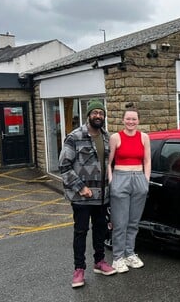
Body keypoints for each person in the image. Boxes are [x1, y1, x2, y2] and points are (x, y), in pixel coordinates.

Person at [59, 99, 117, 288]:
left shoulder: (107, 137)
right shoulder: (74, 137)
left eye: (101, 113)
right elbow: (64, 166)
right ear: (88, 115)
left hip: (102, 197)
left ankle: (99, 262)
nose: (98, 116)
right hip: (82, 197)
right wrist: (80, 187)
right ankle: (79, 269)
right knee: (81, 232)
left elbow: (110, 165)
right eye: (95, 113)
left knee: (101, 230)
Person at [108, 102, 151, 273]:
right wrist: (112, 181)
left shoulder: (144, 137)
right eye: (128, 119)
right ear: (123, 120)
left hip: (139, 178)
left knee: (133, 222)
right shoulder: (115, 137)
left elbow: (147, 160)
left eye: (134, 119)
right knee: (120, 223)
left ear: (138, 120)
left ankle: (130, 254)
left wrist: (145, 180)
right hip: (121, 178)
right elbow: (108, 161)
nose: (131, 122)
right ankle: (117, 258)